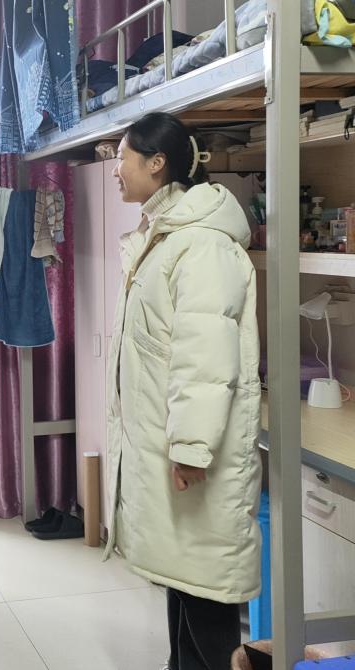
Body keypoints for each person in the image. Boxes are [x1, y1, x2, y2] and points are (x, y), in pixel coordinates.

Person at [105, 113, 262, 670]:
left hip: (194, 453)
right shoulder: (167, 236)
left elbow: (205, 358)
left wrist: (192, 447)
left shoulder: (204, 245)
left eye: (121, 158)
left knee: (205, 589)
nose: (115, 170)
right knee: (183, 579)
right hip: (167, 442)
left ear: (157, 163)